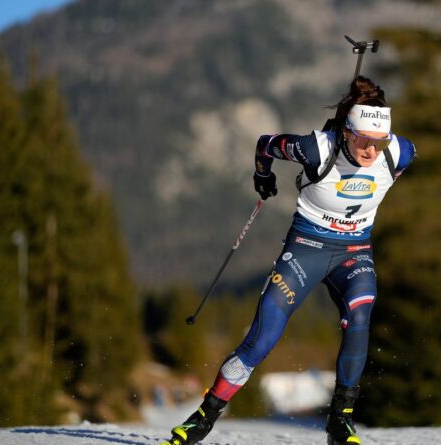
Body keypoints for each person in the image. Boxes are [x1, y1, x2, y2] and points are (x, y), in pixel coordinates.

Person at [161, 76, 416, 445]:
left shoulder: (400, 152)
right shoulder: (316, 149)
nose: (370, 151)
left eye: (377, 143)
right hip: (306, 249)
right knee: (263, 338)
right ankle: (205, 415)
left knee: (360, 316)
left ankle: (340, 422)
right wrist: (262, 175)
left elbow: (389, 168)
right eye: (362, 140)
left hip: (354, 253)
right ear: (346, 132)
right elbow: (266, 144)